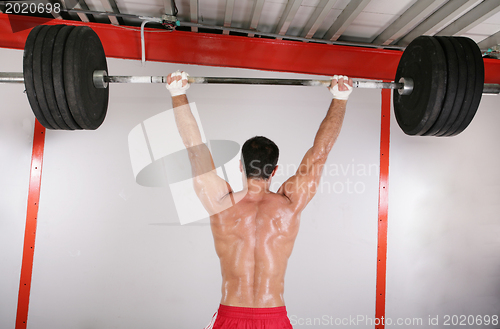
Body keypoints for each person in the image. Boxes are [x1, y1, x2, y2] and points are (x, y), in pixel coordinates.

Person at [166, 71, 353, 329]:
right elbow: (320, 154)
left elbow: (193, 147)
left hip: (230, 316)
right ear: (274, 170)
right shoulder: (289, 204)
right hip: (273, 317)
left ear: (241, 166)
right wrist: (340, 97)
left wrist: (178, 93)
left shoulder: (220, 202)